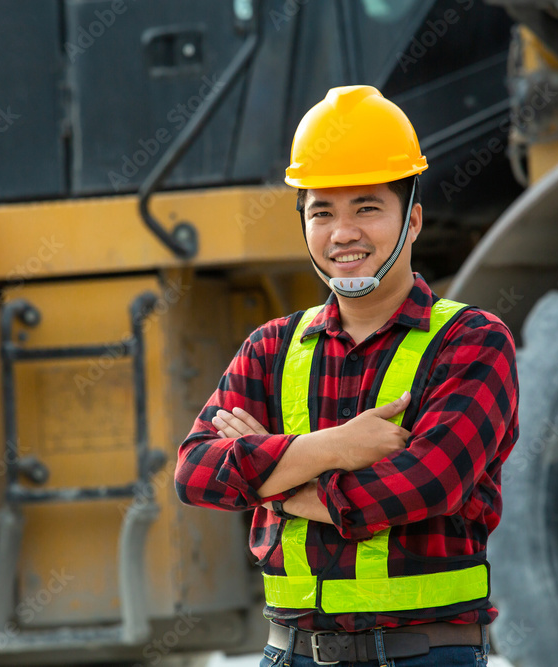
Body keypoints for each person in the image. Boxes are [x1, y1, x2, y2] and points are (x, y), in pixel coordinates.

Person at [174, 85, 519, 667]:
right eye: (322, 212)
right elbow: (195, 472)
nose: (343, 234)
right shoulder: (272, 347)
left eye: (367, 208)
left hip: (425, 654)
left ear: (411, 221)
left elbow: (429, 483)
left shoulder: (473, 341)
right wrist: (336, 446)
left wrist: (271, 488)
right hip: (291, 654)